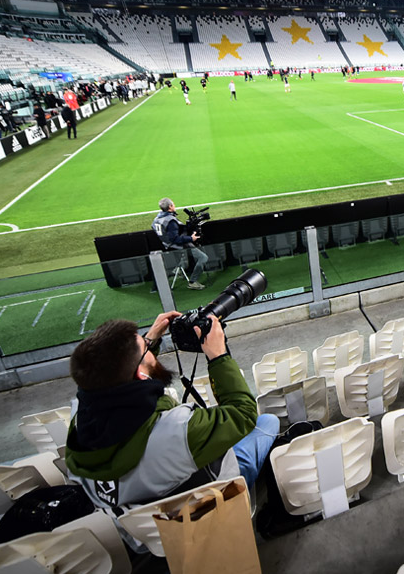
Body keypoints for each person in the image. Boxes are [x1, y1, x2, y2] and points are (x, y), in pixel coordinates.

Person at [64, 311, 277, 544]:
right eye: (146, 351)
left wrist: (149, 342)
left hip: (145, 533)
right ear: (140, 373)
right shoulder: (178, 429)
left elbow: (122, 379)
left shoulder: (79, 421)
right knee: (268, 422)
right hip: (210, 507)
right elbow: (243, 414)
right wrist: (218, 356)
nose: (149, 350)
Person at [153, 198, 209, 290]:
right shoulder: (170, 221)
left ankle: (179, 267)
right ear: (170, 207)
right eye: (173, 204)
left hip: (166, 245)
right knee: (203, 257)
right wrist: (191, 238)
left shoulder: (157, 219)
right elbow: (175, 239)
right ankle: (192, 282)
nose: (174, 205)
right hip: (177, 246)